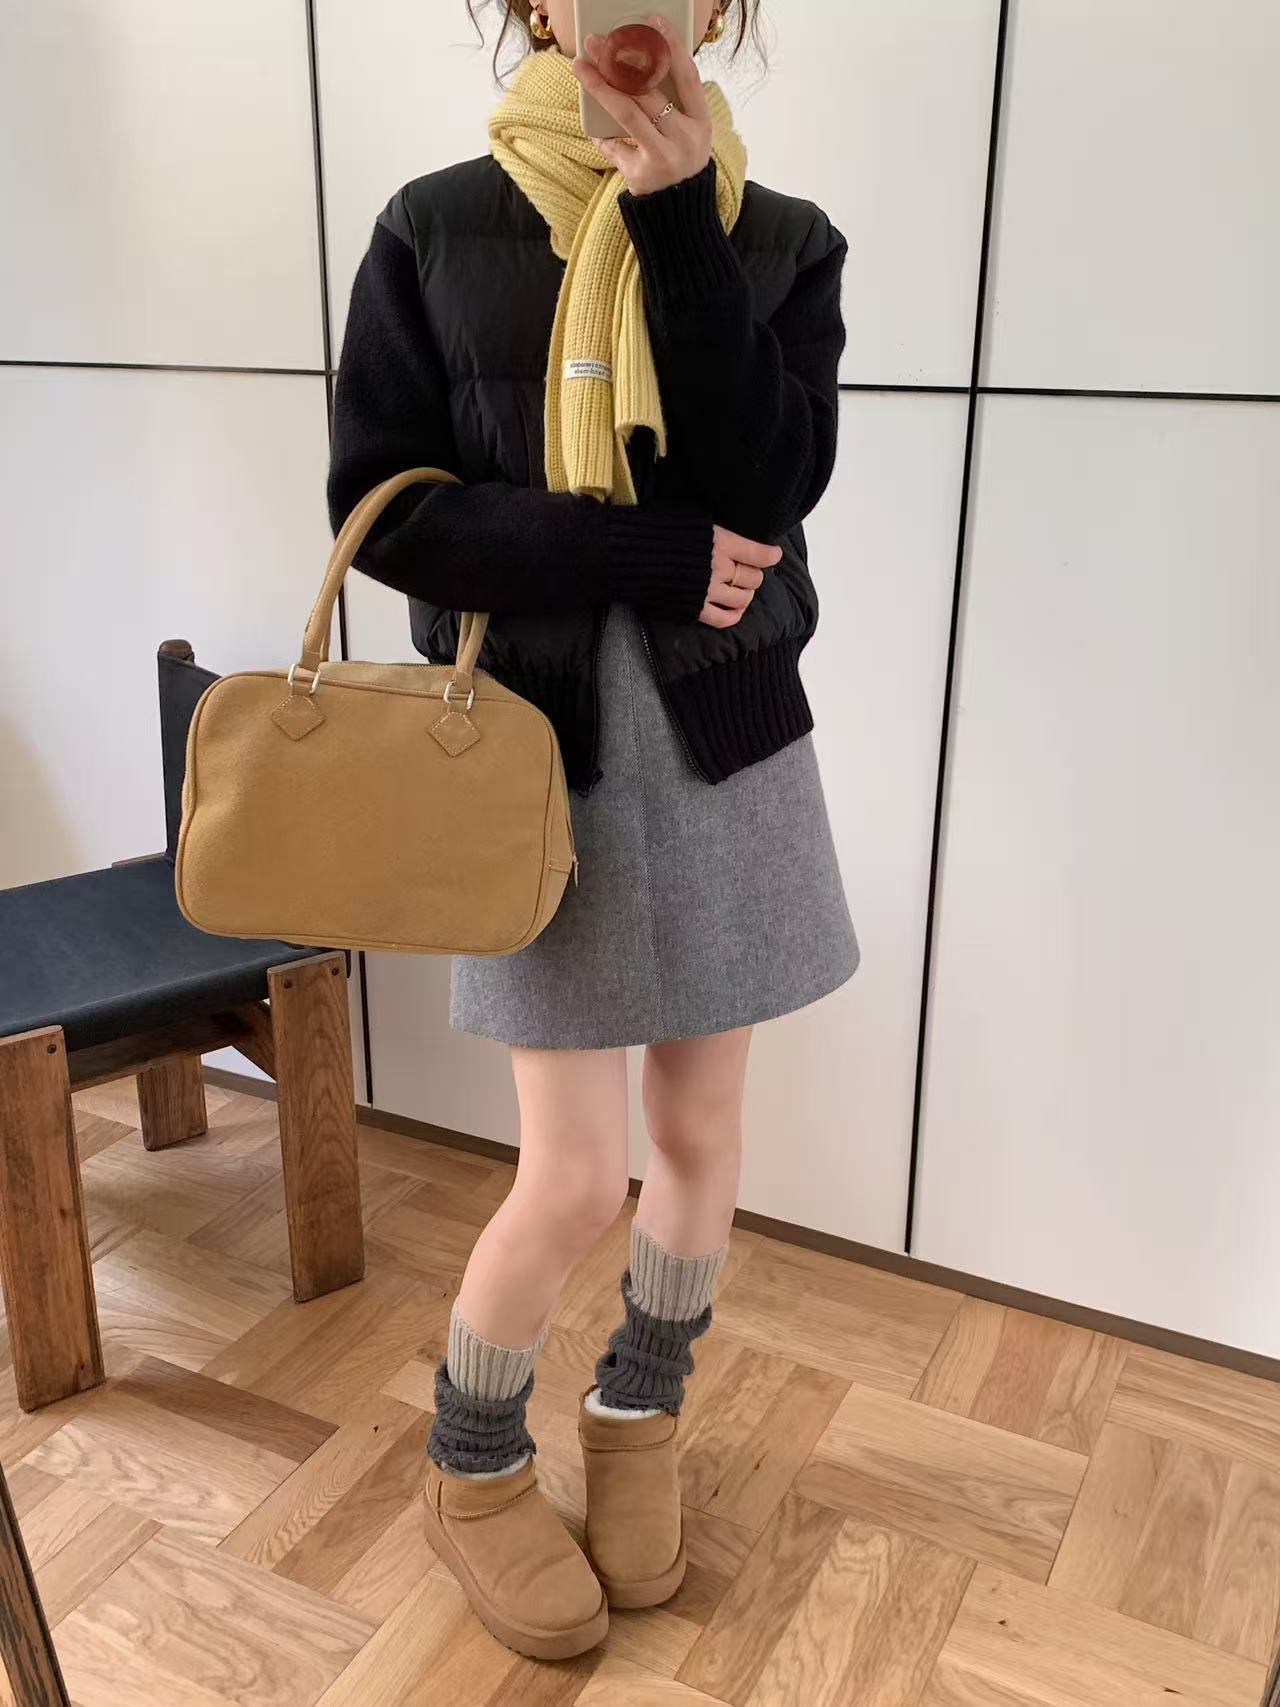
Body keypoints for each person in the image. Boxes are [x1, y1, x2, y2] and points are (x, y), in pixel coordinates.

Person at [327, 0, 859, 1662]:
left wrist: (678, 222)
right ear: (540, 8)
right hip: (529, 767)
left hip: (727, 744)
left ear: (713, 11)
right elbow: (390, 513)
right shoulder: (432, 228)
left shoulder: (782, 239)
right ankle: (472, 1463)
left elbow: (769, 489)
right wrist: (632, 556)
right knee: (568, 1174)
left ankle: (641, 1414)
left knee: (698, 1135)